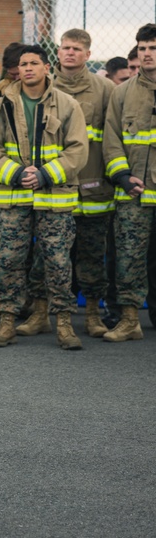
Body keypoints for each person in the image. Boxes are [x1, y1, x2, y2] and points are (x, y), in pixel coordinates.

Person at [0, 45, 88, 349]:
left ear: (46, 68)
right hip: (14, 197)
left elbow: (77, 149)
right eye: (23, 64)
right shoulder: (1, 104)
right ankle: (6, 322)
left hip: (54, 199)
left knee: (57, 262)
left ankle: (64, 325)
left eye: (34, 63)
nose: (27, 68)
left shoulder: (68, 105)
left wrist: (45, 174)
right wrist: (15, 174)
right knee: (9, 259)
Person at [18, 29, 114, 339]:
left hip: (92, 186)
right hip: (53, 189)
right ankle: (40, 312)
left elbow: (109, 138)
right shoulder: (44, 87)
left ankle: (93, 315)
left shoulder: (105, 89)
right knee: (47, 254)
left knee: (90, 253)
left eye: (76, 48)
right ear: (56, 53)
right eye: (64, 47)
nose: (69, 53)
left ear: (88, 54)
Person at [102, 23, 156, 342]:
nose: (146, 54)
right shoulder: (122, 93)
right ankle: (130, 321)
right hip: (134, 193)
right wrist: (122, 176)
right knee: (129, 258)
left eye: (152, 48)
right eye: (142, 48)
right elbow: (111, 139)